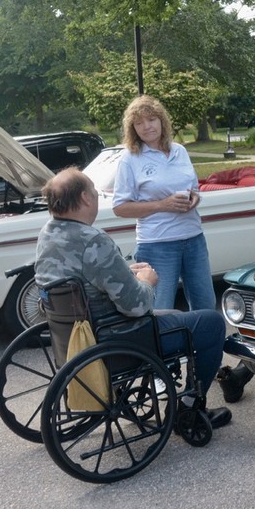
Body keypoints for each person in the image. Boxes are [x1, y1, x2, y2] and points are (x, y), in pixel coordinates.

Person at [35, 167, 232, 428]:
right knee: (211, 323)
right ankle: (189, 408)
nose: (95, 197)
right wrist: (147, 282)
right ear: (85, 198)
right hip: (117, 337)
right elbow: (137, 306)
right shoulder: (93, 240)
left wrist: (124, 271)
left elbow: (83, 275)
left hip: (73, 337)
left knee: (176, 316)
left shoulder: (48, 233)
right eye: (94, 192)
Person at [113, 95, 215, 312]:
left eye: (151, 119)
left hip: (194, 238)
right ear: (132, 129)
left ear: (162, 121)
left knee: (205, 305)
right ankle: (166, 348)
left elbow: (194, 188)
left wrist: (194, 198)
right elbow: (120, 207)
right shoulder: (130, 159)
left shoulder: (180, 151)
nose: (146, 127)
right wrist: (163, 205)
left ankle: (201, 346)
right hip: (157, 244)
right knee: (160, 310)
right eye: (138, 123)